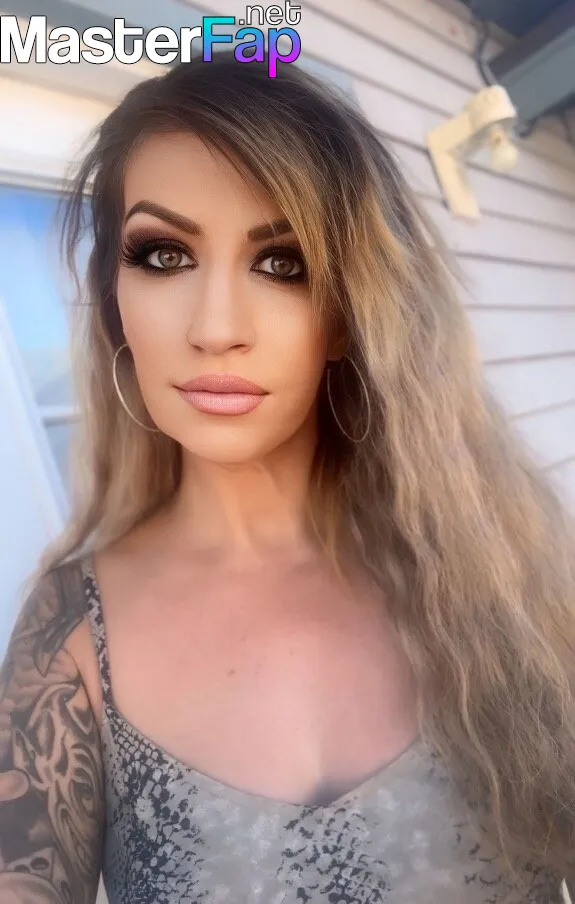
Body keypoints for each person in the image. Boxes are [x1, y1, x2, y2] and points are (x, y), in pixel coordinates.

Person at [0, 49, 574, 904]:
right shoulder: (70, 634)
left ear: (350, 312)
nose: (215, 327)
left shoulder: (505, 571)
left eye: (283, 263)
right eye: (163, 255)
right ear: (115, 301)